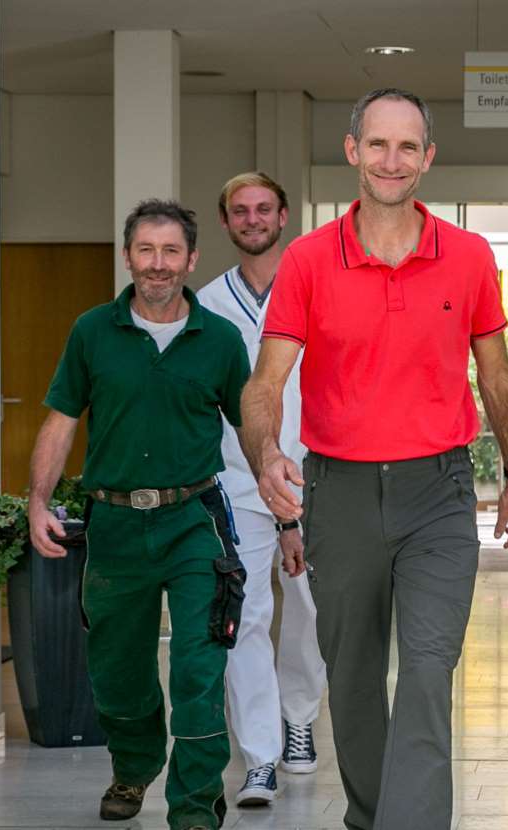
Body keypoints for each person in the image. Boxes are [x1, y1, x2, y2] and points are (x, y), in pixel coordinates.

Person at [240, 87, 508, 830]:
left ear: (428, 158)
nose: (392, 160)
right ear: (353, 152)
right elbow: (265, 383)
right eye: (378, 144)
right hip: (337, 492)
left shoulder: (467, 257)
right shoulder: (308, 261)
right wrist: (267, 451)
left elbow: (496, 378)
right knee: (356, 680)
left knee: (429, 673)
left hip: (437, 492)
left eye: (408, 146)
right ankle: (370, 819)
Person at [28, 199, 251, 830]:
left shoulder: (222, 340)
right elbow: (61, 419)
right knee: (119, 673)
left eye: (171, 251)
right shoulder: (92, 331)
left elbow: (250, 420)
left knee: (198, 667)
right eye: (146, 250)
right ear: (129, 256)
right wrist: (38, 500)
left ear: (192, 259)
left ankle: (195, 806)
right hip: (116, 524)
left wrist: (274, 476)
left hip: (193, 520)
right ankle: (133, 768)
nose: (158, 264)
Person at [192, 171, 329, 808]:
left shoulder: (315, 290)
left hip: (313, 478)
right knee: (244, 616)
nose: (252, 219)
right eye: (240, 211)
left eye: (263, 209)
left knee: (309, 610)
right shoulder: (208, 304)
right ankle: (260, 755)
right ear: (226, 222)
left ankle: (299, 716)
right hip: (235, 482)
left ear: (283, 216)